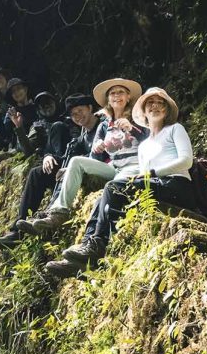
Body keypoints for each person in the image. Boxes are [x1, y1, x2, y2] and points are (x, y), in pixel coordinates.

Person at [45, 87, 195, 278]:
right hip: (155, 185)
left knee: (113, 187)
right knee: (103, 198)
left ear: (167, 110)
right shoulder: (145, 145)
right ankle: (85, 251)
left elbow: (186, 160)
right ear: (144, 111)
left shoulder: (175, 129)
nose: (155, 106)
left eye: (160, 103)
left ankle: (98, 247)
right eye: (150, 103)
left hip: (177, 185)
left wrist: (153, 173)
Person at [18, 78, 146, 237]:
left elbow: (151, 139)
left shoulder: (138, 117)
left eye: (120, 92)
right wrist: (97, 149)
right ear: (108, 100)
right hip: (114, 168)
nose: (116, 96)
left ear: (128, 96)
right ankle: (58, 213)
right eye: (112, 93)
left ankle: (93, 238)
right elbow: (94, 158)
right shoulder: (105, 125)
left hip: (136, 166)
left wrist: (131, 129)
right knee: (75, 161)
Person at [0, 93, 100, 247]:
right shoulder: (40, 125)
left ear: (90, 108)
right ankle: (17, 231)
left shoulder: (89, 125)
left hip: (83, 165)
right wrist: (46, 154)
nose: (78, 116)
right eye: (74, 113)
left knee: (58, 128)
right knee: (36, 173)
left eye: (80, 111)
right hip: (63, 162)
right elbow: (28, 150)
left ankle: (51, 211)